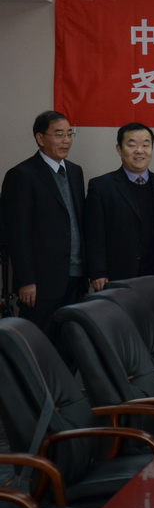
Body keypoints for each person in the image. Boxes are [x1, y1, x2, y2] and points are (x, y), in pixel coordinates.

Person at [0, 110, 87, 340]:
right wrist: (26, 280)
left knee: (70, 343)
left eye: (69, 134)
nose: (66, 140)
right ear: (40, 138)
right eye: (59, 134)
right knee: (37, 343)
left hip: (76, 276)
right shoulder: (22, 175)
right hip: (41, 282)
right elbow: (17, 233)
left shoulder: (75, 172)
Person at [84, 122, 154, 291]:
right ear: (119, 149)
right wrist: (98, 271)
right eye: (132, 145)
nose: (139, 151)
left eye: (145, 145)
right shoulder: (101, 186)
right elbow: (94, 233)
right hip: (117, 276)